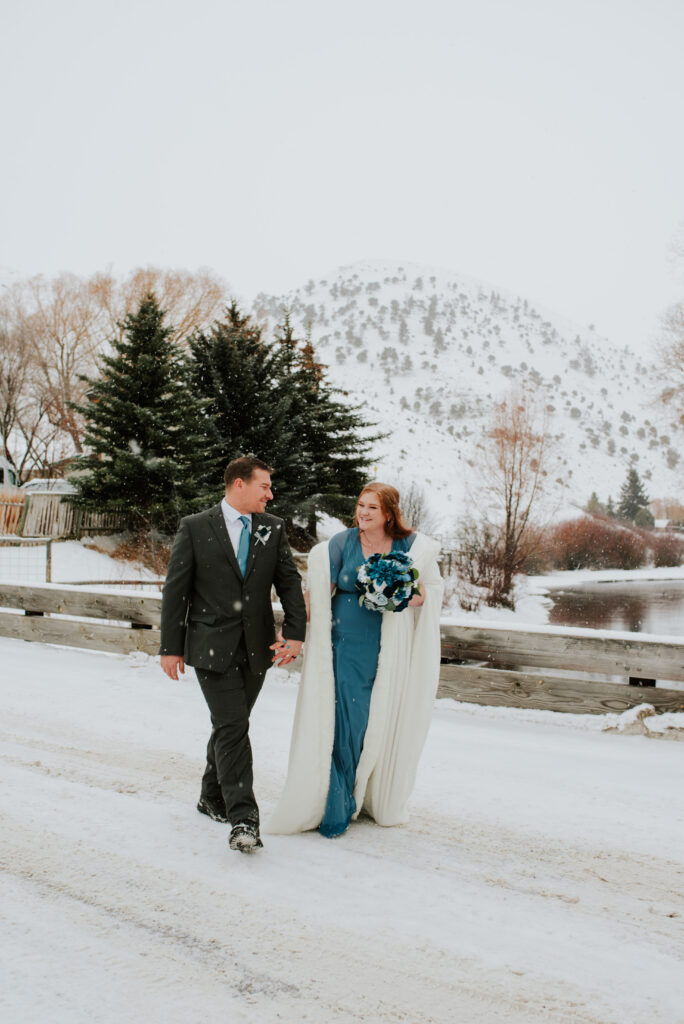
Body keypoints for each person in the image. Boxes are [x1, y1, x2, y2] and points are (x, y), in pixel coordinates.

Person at [268, 482, 443, 838]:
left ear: (389, 514)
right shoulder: (342, 543)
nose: (363, 513)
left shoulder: (411, 547)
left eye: (372, 508)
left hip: (388, 648)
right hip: (342, 644)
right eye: (361, 505)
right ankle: (338, 801)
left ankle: (361, 791)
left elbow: (429, 591)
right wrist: (292, 631)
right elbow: (317, 592)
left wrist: (398, 593)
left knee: (370, 720)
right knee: (343, 718)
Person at [160, 456, 306, 854]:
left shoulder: (272, 529)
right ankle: (244, 818)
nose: (270, 494)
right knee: (233, 728)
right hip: (210, 647)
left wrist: (294, 634)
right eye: (264, 487)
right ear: (238, 485)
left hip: (257, 648)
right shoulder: (195, 527)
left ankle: (211, 796)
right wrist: (171, 646)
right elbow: (176, 590)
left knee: (230, 726)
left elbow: (289, 582)